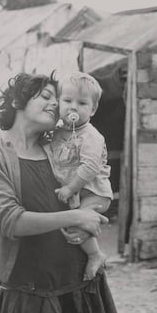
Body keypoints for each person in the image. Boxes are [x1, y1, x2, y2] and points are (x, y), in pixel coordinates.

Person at [0, 72, 119, 313]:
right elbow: (10, 221)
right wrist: (76, 218)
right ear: (17, 101)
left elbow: (98, 191)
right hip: (28, 277)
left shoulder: (58, 145)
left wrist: (89, 212)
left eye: (57, 98)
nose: (56, 105)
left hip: (75, 266)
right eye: (47, 97)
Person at [46, 72, 112, 281]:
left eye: (82, 103)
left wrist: (70, 188)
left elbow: (90, 166)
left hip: (94, 191)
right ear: (58, 103)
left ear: (93, 109)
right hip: (77, 192)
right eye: (67, 101)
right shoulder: (57, 131)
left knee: (78, 223)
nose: (73, 107)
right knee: (67, 223)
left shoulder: (91, 135)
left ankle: (95, 255)